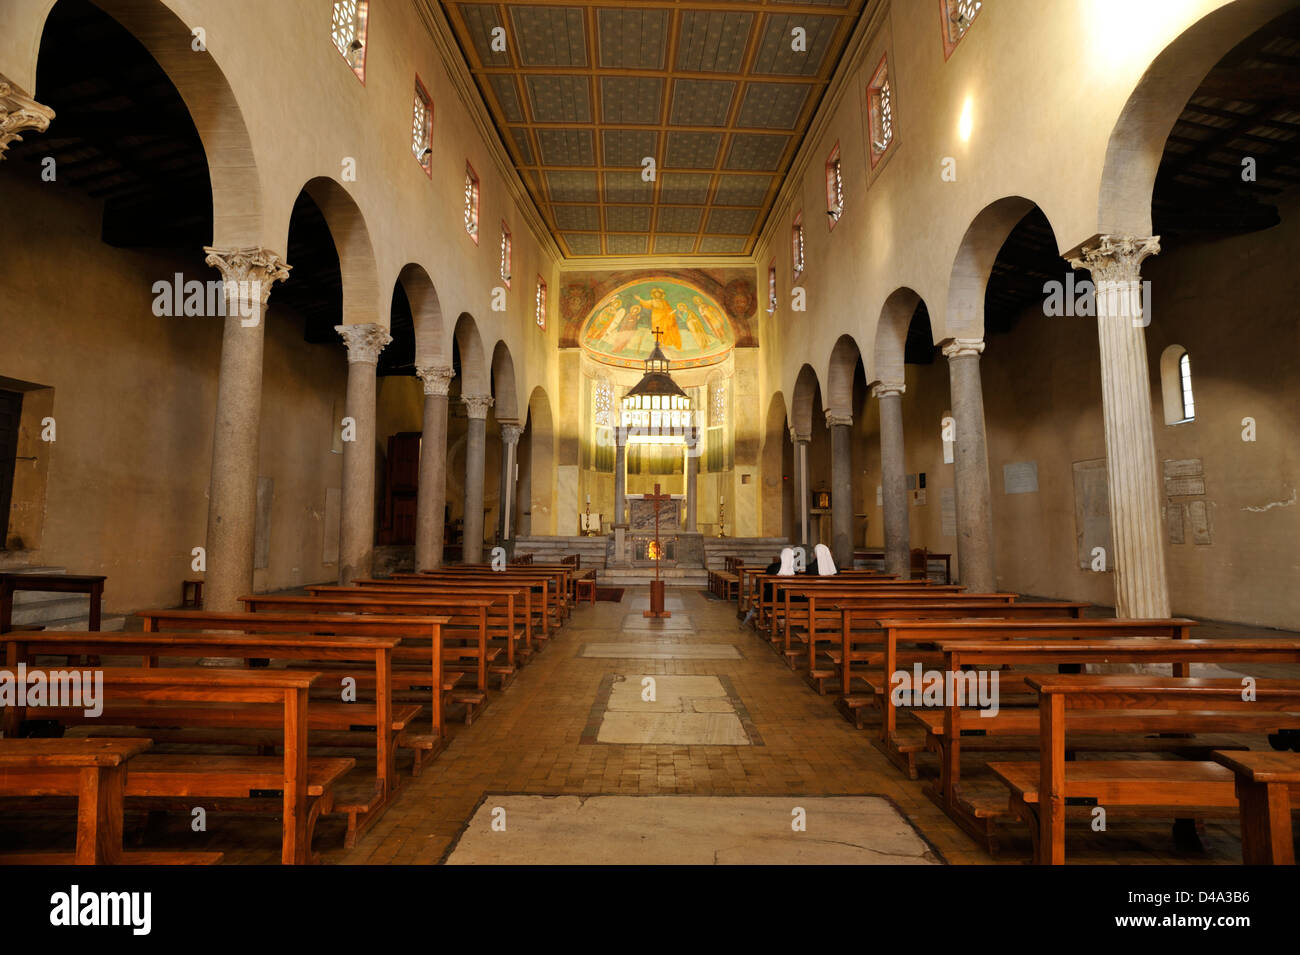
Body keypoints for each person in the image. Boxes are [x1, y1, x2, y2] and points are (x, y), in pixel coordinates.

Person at [740, 547, 793, 628]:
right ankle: (780, 621)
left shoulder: (773, 567)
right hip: (790, 598)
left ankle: (768, 621)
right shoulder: (794, 570)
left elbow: (766, 585)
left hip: (772, 597)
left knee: (763, 598)